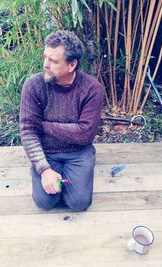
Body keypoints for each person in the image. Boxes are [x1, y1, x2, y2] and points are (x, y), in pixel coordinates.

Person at [20, 30, 104, 212]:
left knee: (79, 203)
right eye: (45, 57)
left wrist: (43, 125)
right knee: (44, 202)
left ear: (72, 64)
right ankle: (45, 172)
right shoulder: (33, 85)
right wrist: (44, 170)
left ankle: (77, 176)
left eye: (53, 61)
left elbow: (85, 135)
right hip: (47, 151)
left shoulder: (92, 89)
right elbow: (28, 132)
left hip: (78, 152)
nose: (45, 64)